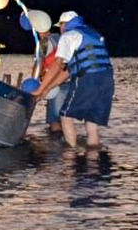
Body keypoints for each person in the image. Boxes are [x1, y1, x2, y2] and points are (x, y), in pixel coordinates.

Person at [31, 11, 114, 147]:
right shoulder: (92, 33)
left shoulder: (68, 36)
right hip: (106, 80)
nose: (60, 29)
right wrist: (47, 89)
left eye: (61, 26)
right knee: (91, 123)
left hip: (88, 79)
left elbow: (58, 64)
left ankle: (70, 156)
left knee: (65, 116)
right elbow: (69, 71)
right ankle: (93, 161)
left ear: (64, 24)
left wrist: (39, 89)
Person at [32, 26, 65, 133]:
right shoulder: (62, 39)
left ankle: (56, 146)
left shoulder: (44, 43)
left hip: (55, 83)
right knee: (65, 119)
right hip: (69, 81)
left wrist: (35, 84)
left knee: (54, 120)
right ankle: (68, 146)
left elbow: (38, 63)